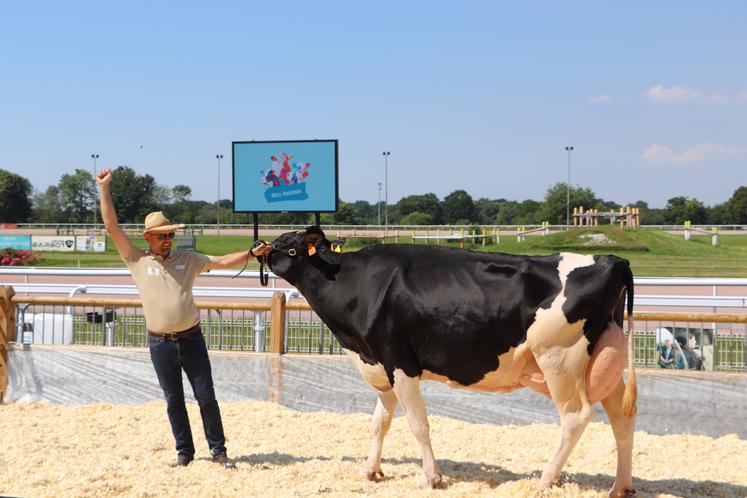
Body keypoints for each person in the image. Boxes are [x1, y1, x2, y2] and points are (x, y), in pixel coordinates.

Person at [96, 168, 271, 468]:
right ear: (149, 238)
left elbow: (219, 262)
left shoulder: (187, 260)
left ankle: (218, 452)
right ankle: (185, 454)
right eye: (162, 236)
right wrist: (104, 188)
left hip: (191, 339)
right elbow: (111, 226)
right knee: (173, 401)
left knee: (206, 397)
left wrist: (250, 254)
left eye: (171, 235)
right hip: (159, 344)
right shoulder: (136, 259)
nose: (168, 240)